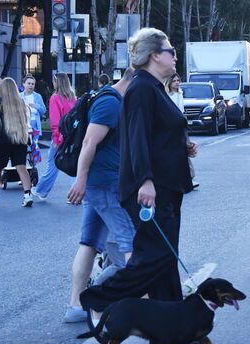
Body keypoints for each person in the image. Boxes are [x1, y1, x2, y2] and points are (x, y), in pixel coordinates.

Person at [80, 28, 197, 323]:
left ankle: (169, 324)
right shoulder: (142, 88)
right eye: (170, 50)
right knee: (153, 258)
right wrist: (145, 180)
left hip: (167, 186)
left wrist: (182, 146)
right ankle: (97, 298)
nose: (175, 55)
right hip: (151, 188)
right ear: (155, 56)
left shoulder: (155, 87)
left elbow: (157, 134)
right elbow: (137, 138)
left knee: (164, 258)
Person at [63, 68, 136, 322]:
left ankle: (75, 306)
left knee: (90, 242)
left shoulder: (113, 100)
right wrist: (81, 180)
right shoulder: (110, 103)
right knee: (130, 243)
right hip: (104, 184)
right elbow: (88, 142)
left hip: (100, 184)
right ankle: (137, 308)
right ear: (133, 82)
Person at [0, 77, 34, 207]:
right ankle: (27, 195)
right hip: (19, 140)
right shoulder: (21, 103)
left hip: (2, 142)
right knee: (21, 167)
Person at [32, 73, 76, 201]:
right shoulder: (73, 97)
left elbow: (55, 121)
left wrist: (56, 138)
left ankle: (41, 190)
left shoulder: (55, 98)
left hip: (61, 137)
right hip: (72, 136)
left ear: (58, 82)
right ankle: (75, 196)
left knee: (53, 165)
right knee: (74, 165)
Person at [165, 73, 199, 190]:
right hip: (171, 124)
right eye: (174, 81)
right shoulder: (167, 94)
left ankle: (190, 177)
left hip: (180, 123)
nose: (177, 83)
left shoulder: (180, 93)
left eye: (178, 80)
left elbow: (181, 110)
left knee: (185, 149)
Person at [20, 74, 46, 165]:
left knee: (34, 145)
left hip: (34, 124)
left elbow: (43, 110)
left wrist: (36, 106)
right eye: (29, 83)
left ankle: (34, 166)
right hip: (22, 125)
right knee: (23, 146)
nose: (31, 85)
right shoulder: (19, 96)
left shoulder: (37, 96)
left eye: (32, 84)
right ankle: (22, 165)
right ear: (23, 84)